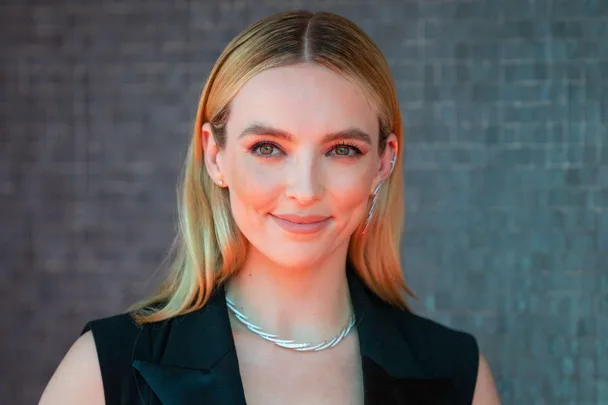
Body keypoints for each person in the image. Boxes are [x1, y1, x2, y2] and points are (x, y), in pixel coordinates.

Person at [39, 10, 501, 405]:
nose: (304, 189)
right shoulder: (105, 370)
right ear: (214, 156)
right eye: (267, 148)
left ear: (384, 162)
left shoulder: (456, 373)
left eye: (341, 149)